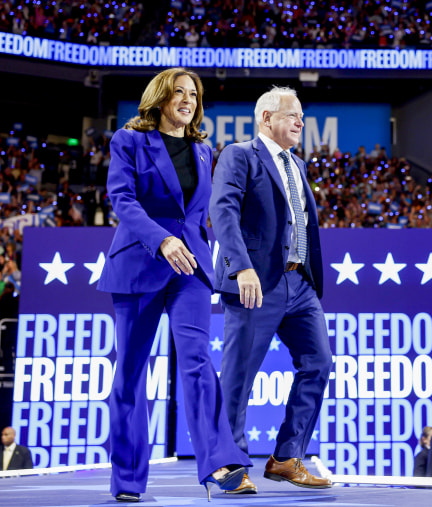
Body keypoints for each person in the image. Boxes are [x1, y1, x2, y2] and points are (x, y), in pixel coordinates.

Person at [97, 67, 250, 502]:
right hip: (140, 262)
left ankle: (221, 464)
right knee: (130, 372)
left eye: (194, 95)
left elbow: (202, 213)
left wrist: (231, 260)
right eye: (180, 92)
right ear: (160, 97)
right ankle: (127, 479)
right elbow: (122, 199)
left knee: (198, 360)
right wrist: (160, 239)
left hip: (191, 268)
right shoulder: (128, 140)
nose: (188, 100)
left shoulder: (203, 149)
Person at [210, 86, 332, 489]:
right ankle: (228, 465)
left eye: (301, 116)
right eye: (292, 115)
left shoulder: (297, 164)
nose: (300, 122)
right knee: (239, 374)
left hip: (299, 283)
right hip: (255, 282)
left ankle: (287, 456)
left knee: (319, 363)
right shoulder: (239, 155)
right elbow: (223, 211)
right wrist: (240, 267)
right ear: (266, 118)